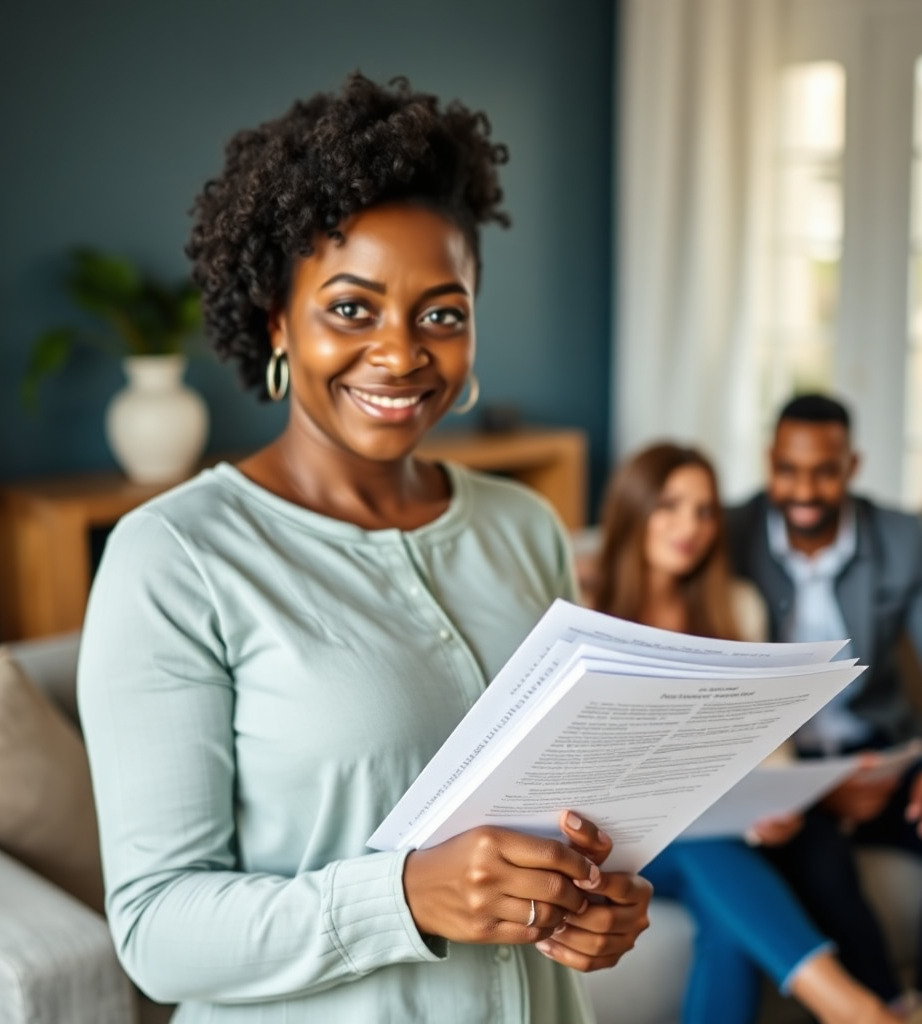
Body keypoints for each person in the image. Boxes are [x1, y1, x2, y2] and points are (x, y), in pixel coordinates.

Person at [76, 72, 651, 1024]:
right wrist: (406, 896)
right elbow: (156, 931)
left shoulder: (523, 528)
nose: (401, 353)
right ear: (276, 319)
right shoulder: (173, 559)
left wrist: (601, 902)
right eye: (352, 308)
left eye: (442, 312)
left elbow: (566, 816)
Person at [591, 441, 901, 1024]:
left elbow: (766, 739)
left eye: (706, 510)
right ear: (634, 510)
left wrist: (776, 805)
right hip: (620, 836)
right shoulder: (587, 608)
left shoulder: (737, 606)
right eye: (670, 506)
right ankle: (853, 1007)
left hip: (709, 835)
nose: (691, 526)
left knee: (723, 895)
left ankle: (854, 1009)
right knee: (707, 843)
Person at [727, 392, 922, 1008]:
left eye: (824, 472)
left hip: (876, 758)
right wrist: (817, 790)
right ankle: (882, 1009)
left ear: (852, 467)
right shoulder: (729, 534)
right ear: (769, 461)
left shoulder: (903, 540)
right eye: (788, 469)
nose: (804, 490)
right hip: (783, 775)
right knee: (820, 860)